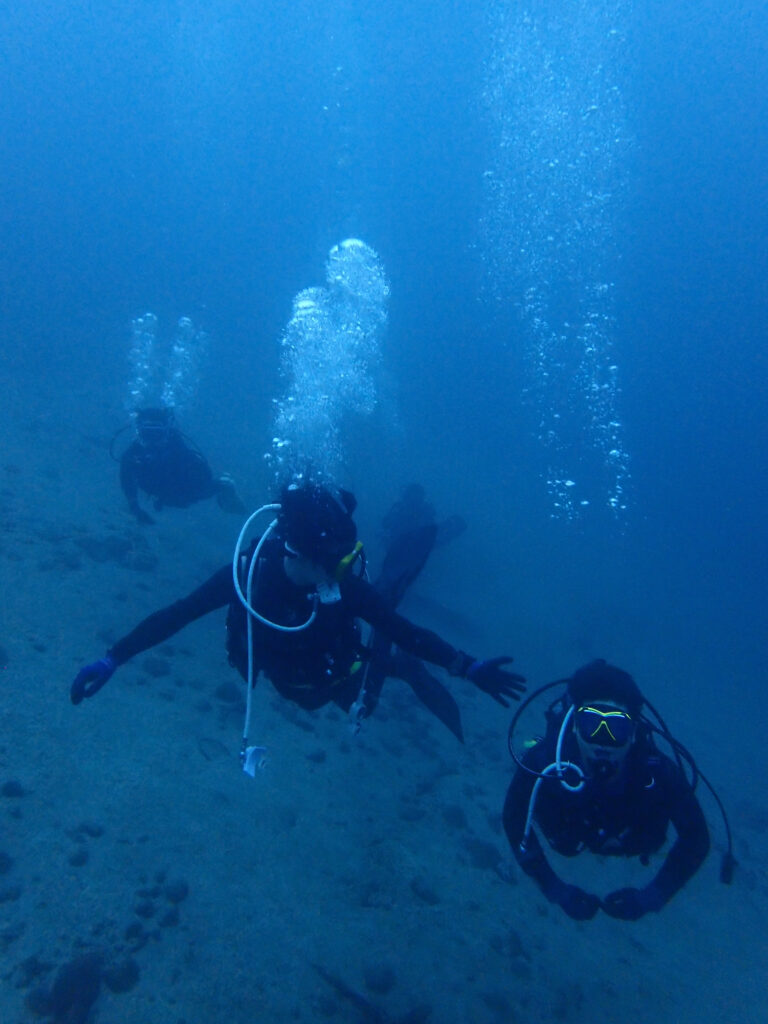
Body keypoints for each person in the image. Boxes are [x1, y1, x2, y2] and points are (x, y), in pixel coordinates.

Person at [70, 481, 526, 756]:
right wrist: (114, 658)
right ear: (300, 553)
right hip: (288, 679)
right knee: (348, 661)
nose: (346, 570)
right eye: (339, 560)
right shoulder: (249, 573)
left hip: (339, 675)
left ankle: (400, 667)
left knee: (382, 658)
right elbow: (178, 614)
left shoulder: (340, 582)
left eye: (349, 559)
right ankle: (391, 659)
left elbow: (403, 630)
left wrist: (466, 665)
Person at [503, 660, 713, 921]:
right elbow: (514, 817)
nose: (602, 742)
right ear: (575, 726)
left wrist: (651, 898)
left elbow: (696, 838)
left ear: (634, 732)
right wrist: (555, 889)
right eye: (592, 723)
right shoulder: (545, 761)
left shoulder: (657, 772)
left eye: (615, 727)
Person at [117, 406, 246, 525]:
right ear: (139, 433)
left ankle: (227, 485)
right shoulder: (132, 456)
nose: (152, 442)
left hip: (187, 492)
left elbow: (203, 477)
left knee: (222, 485)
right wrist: (135, 508)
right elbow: (126, 479)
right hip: (162, 494)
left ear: (166, 433)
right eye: (147, 435)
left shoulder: (179, 450)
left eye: (157, 435)